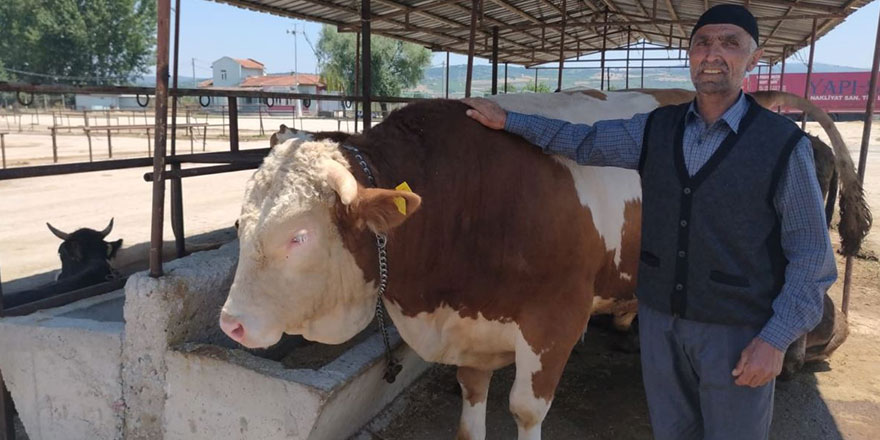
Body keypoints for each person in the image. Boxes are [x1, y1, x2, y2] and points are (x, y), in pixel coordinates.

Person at [462, 4, 837, 440]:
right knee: (672, 432)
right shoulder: (657, 127)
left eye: (730, 43)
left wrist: (775, 340)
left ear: (754, 59)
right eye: (702, 43)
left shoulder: (783, 146)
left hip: (736, 333)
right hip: (660, 326)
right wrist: (509, 120)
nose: (713, 53)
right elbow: (582, 141)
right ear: (690, 56)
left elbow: (812, 255)